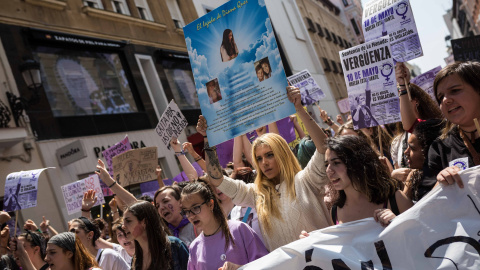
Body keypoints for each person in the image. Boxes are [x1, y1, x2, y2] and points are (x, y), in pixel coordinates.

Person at [197, 85, 331, 251]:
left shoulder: (307, 180)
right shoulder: (255, 193)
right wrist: (207, 140)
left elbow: (324, 148)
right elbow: (217, 179)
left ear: (283, 154)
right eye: (259, 159)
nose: (264, 163)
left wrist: (298, 109)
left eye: (269, 155)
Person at [325, 135, 413, 226]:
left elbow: (420, 233)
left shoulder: (396, 199)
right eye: (326, 165)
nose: (328, 171)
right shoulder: (335, 212)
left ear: (356, 162)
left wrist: (398, 222)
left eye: (336, 163)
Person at [181, 181, 268, 270]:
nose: (191, 216)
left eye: (195, 208)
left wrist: (240, 268)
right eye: (186, 211)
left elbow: (267, 265)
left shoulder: (239, 229)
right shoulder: (194, 247)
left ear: (210, 204)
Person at [429, 61, 480, 188]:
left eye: (455, 90)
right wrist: (441, 183)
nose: (446, 100)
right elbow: (428, 202)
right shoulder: (439, 148)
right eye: (440, 97)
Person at [122, 200, 189, 270]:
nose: (123, 226)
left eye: (128, 221)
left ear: (144, 222)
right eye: (123, 222)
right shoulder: (135, 259)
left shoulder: (174, 245)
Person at [403, 119, 445, 201]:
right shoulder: (413, 176)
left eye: (412, 148)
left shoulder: (446, 178)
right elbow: (406, 210)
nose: (406, 152)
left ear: (428, 151)